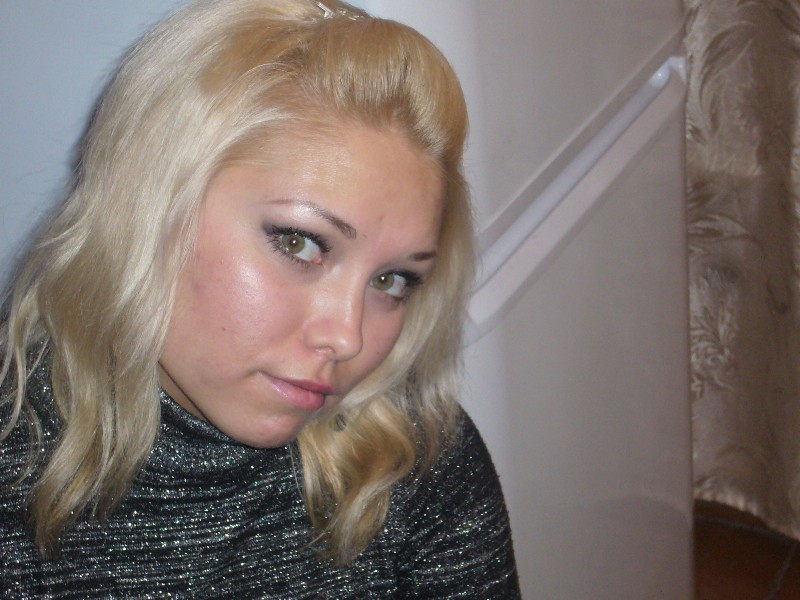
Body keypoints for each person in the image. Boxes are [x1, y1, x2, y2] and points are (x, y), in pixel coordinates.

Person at [0, 0, 520, 596]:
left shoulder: (411, 460)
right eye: (299, 242)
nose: (347, 338)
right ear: (149, 205)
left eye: (392, 280)